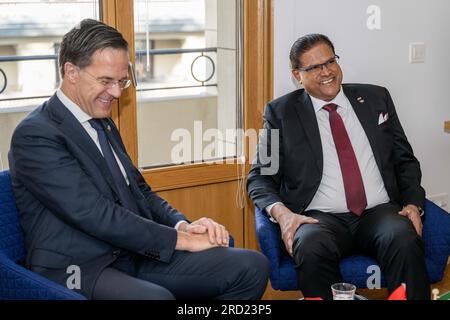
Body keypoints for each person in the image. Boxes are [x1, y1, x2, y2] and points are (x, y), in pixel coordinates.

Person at [8, 19, 269, 300]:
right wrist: (181, 240)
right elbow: (93, 213)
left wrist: (182, 225)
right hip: (79, 266)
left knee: (251, 266)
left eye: (122, 82)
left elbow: (139, 191)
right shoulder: (36, 134)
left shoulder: (101, 122)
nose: (118, 93)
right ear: (71, 72)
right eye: (106, 81)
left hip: (132, 252)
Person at [247, 33, 430, 300]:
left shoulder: (376, 98)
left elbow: (405, 160)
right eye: (314, 67)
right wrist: (284, 215)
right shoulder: (281, 113)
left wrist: (413, 203)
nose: (326, 72)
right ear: (297, 75)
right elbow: (260, 178)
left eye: (330, 61)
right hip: (319, 217)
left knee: (403, 237)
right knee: (309, 244)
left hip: (379, 212)